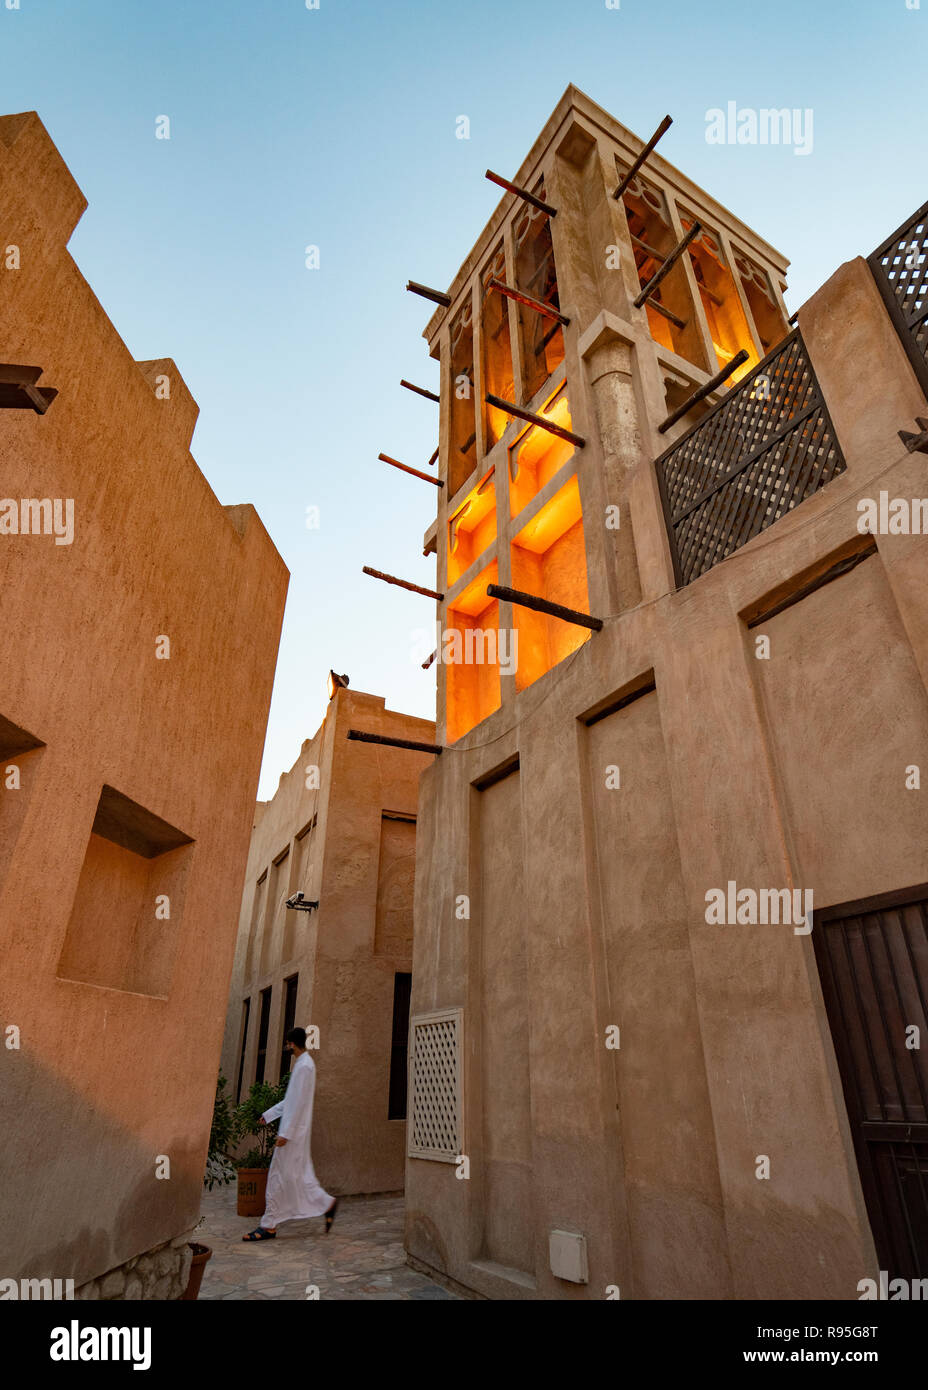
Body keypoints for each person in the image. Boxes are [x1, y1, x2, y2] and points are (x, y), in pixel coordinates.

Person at [242, 1027, 338, 1241]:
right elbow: (291, 1101)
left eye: (287, 1043)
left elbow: (296, 1103)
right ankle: (326, 1203)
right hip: (295, 1131)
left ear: (291, 1043)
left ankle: (268, 1226)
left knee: (278, 1176)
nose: (286, 1047)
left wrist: (286, 1133)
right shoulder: (304, 1065)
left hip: (292, 1134)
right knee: (298, 1176)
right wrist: (268, 1116)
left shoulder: (304, 1066)